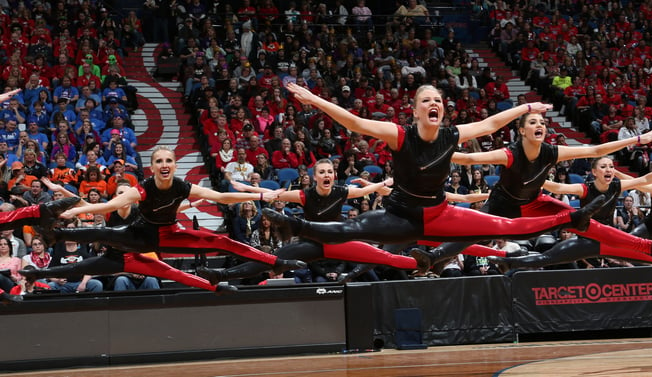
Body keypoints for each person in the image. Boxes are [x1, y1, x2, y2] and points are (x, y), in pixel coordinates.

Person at [262, 83, 604, 262]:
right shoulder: (399, 135)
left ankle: (572, 220)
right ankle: (293, 225)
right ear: (415, 111)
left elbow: (490, 124)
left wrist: (527, 106)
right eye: (426, 100)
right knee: (352, 229)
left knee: (509, 226)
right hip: (401, 215)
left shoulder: (451, 135)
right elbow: (354, 122)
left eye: (437, 99)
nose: (433, 103)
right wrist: (315, 100)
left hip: (439, 213)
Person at [411, 113, 652, 270]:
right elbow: (468, 160)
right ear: (521, 130)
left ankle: (651, 248)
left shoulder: (552, 152)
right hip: (502, 204)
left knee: (588, 222)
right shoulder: (509, 153)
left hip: (535, 202)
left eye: (542, 121)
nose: (540, 125)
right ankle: (432, 258)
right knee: (474, 233)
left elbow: (595, 150)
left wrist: (637, 139)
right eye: (533, 122)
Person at [25, 147, 306, 293]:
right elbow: (109, 205)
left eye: (168, 161)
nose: (164, 165)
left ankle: (275, 261)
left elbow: (219, 197)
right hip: (137, 239)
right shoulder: (141, 189)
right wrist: (73, 211)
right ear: (153, 166)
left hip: (167, 234)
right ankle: (54, 241)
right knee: (104, 234)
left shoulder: (181, 186)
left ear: (174, 164)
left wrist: (258, 197)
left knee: (221, 241)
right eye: (158, 161)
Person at [196, 159, 426, 284]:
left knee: (384, 257)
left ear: (333, 175)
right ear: (314, 176)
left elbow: (375, 188)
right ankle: (221, 276)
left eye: (330, 172)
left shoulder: (341, 191)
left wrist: (387, 181)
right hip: (313, 244)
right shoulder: (304, 195)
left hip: (340, 242)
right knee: (271, 260)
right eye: (322, 172)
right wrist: (246, 187)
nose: (326, 175)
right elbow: (273, 194)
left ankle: (423, 264)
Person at [490, 157, 652, 270]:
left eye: (612, 166)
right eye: (603, 166)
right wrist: (532, 178)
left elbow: (643, 179)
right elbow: (557, 187)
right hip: (586, 242)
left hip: (609, 240)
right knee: (546, 258)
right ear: (594, 171)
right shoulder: (584, 188)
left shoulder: (617, 186)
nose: (609, 169)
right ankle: (508, 262)